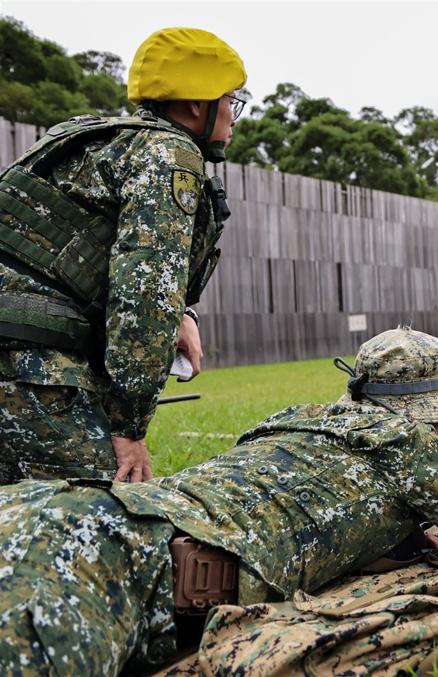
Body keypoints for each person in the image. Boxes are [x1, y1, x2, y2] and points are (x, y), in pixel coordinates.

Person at [0, 327, 438, 674]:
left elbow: (322, 505)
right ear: (432, 410)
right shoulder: (407, 445)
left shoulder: (289, 420)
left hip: (54, 506)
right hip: (113, 556)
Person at [0, 27, 248, 485]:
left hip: (20, 349)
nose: (234, 116)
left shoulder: (87, 138)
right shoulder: (169, 154)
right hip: (32, 362)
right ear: (198, 103)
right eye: (232, 100)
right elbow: (145, 298)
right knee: (104, 520)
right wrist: (128, 426)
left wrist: (184, 312)